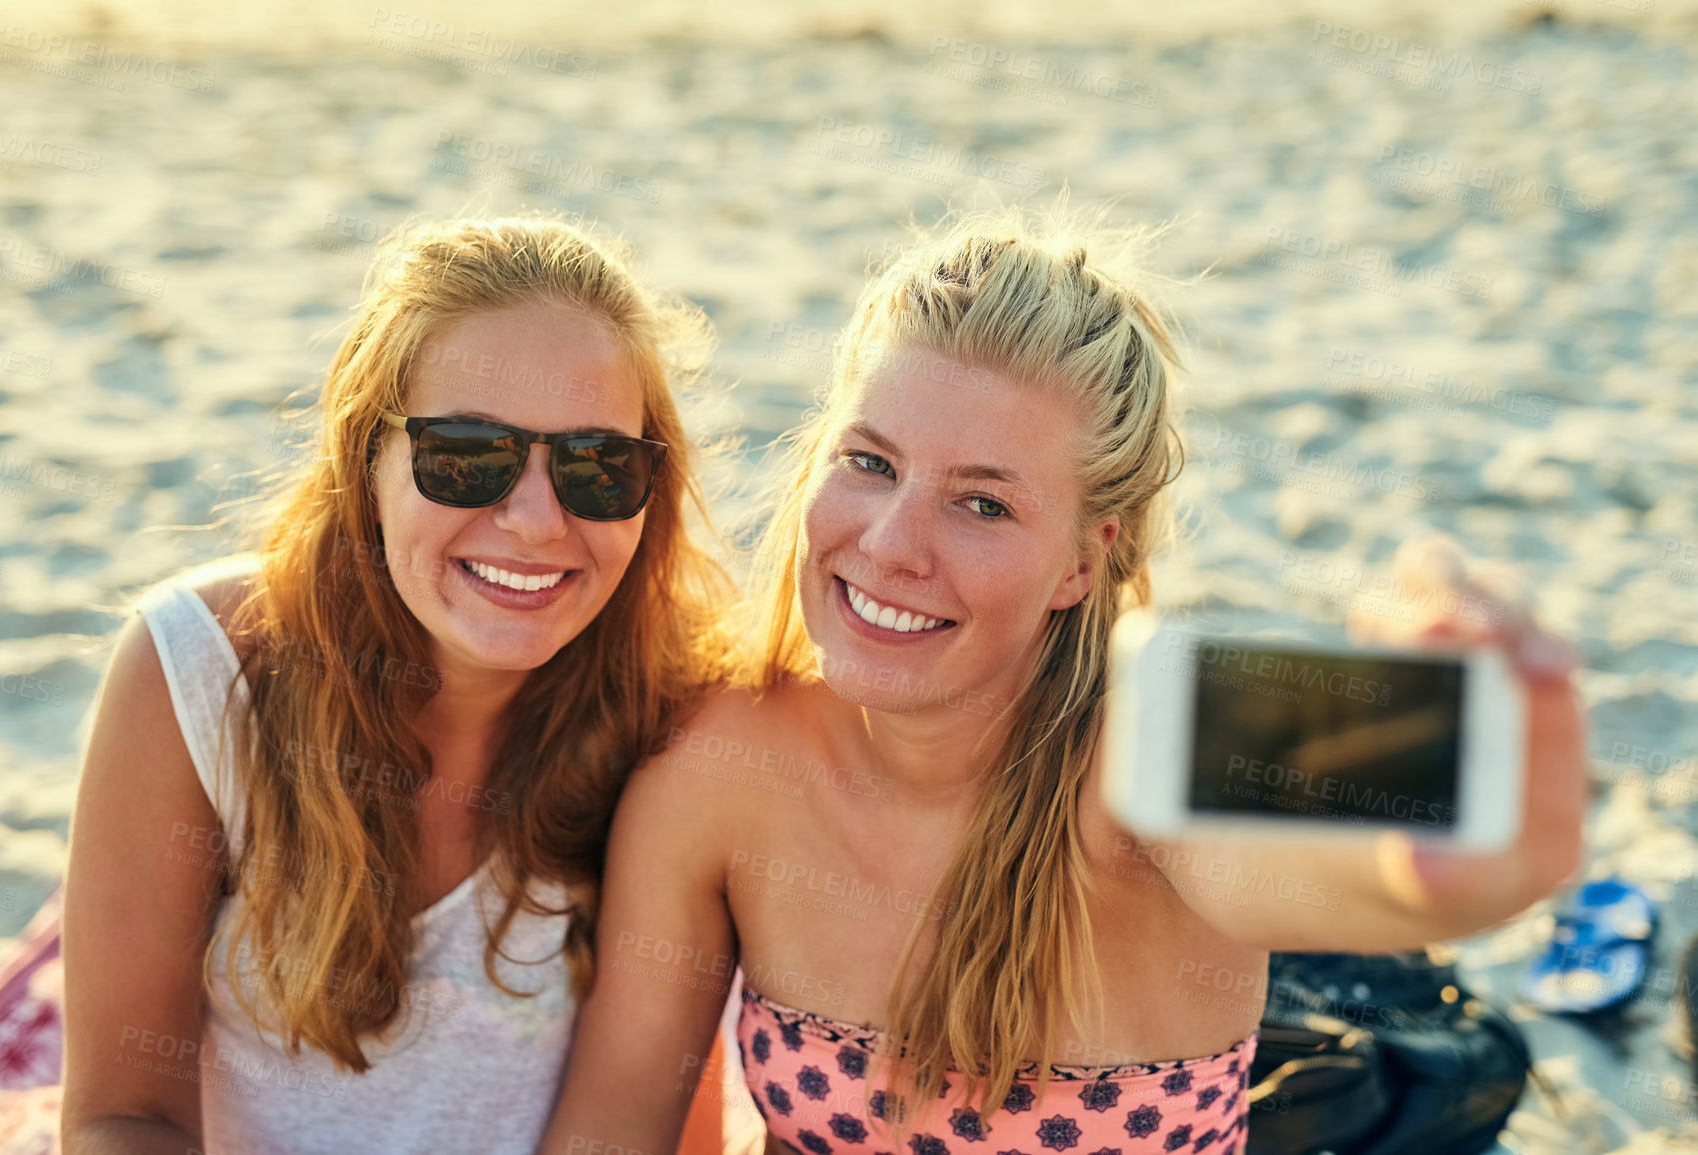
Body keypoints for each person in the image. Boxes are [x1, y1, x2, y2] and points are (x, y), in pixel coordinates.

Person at [541, 207, 1586, 1152]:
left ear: (1087, 558)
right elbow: (612, 1129)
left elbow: (1391, 872)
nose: (893, 543)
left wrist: (1471, 817)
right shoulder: (722, 766)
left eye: (984, 504)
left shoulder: (1151, 747)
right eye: (870, 462)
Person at [59, 214, 732, 1155]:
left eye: (596, 465)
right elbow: (121, 1115)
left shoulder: (683, 715)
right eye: (467, 456)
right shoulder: (197, 673)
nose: (538, 521)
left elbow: (656, 1131)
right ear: (364, 455)